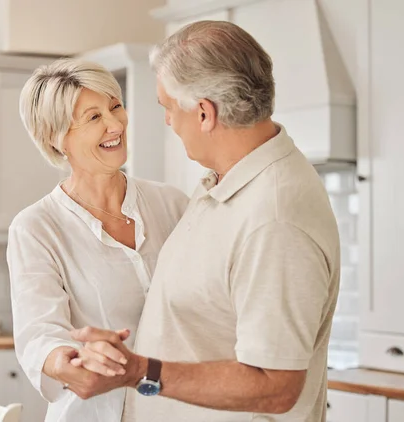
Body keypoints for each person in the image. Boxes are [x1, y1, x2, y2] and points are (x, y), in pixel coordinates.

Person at [55, 20, 342, 422]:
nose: (168, 121)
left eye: (168, 107)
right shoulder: (223, 185)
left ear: (205, 113)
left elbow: (276, 387)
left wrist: (140, 371)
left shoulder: (274, 218)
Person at [6, 58, 189, 422]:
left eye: (115, 106)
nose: (115, 124)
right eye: (93, 118)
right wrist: (68, 360)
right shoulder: (36, 227)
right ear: (56, 139)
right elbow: (39, 333)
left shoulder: (173, 205)